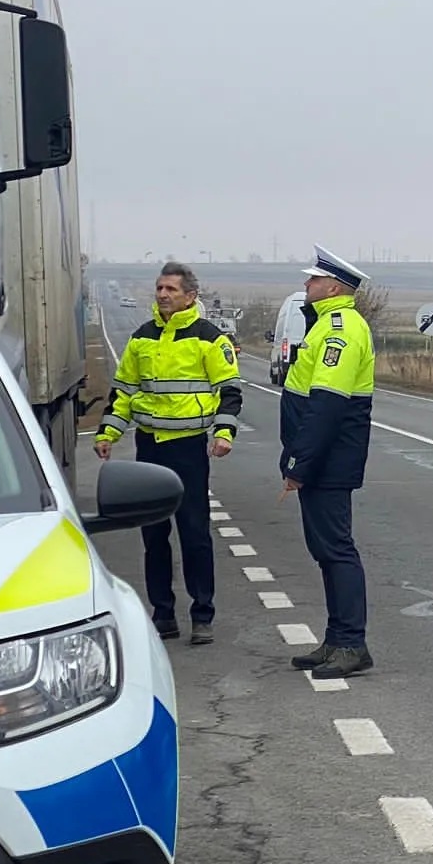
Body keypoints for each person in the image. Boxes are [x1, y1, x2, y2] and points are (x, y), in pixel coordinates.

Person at [96, 262, 242, 644]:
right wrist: (108, 431)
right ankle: (163, 614)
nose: (162, 295)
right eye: (159, 288)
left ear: (190, 296)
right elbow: (123, 392)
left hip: (189, 449)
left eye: (171, 289)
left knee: (194, 534)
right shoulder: (141, 338)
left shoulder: (210, 339)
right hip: (149, 446)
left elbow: (229, 391)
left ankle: (202, 615)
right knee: (153, 536)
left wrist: (224, 433)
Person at [281, 245, 378, 680]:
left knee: (336, 550)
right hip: (323, 458)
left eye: (313, 280)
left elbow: (326, 405)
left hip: (329, 460)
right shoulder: (324, 325)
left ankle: (351, 643)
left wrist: (300, 462)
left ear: (333, 286)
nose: (306, 285)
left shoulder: (341, 329)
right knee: (325, 550)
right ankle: (337, 638)